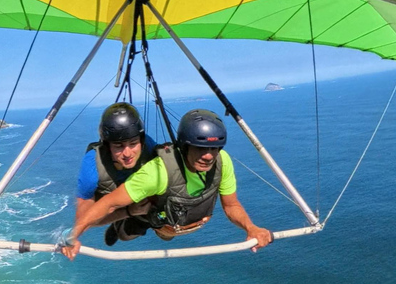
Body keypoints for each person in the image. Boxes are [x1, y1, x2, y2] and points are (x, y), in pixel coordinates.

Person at [62, 109, 273, 259]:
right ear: (184, 146)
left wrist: (251, 227)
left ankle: (133, 219)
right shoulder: (156, 171)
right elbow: (107, 203)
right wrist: (74, 234)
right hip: (149, 208)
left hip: (178, 217)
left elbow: (232, 205)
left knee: (162, 230)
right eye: (200, 148)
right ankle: (120, 228)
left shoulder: (222, 160)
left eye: (214, 149)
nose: (208, 156)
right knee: (131, 230)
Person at [74, 102, 156, 246]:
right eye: (118, 146)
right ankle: (118, 225)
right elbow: (84, 218)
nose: (127, 153)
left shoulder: (148, 146)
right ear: (107, 146)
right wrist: (128, 212)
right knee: (125, 234)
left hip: (134, 194)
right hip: (108, 199)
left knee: (139, 228)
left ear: (141, 141)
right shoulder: (93, 166)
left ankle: (122, 227)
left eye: (133, 143)